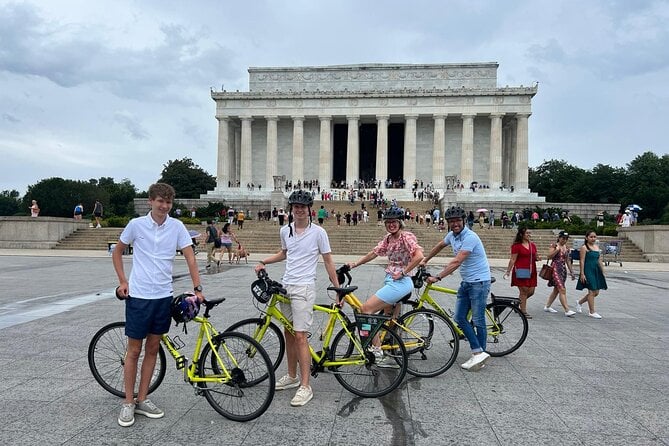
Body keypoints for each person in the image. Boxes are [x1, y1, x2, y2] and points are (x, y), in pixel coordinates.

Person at [112, 183, 204, 427]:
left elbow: (190, 257)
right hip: (139, 295)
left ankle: (143, 399)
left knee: (153, 349)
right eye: (160, 201)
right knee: (133, 351)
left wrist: (197, 288)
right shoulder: (136, 225)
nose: (164, 206)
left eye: (168, 203)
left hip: (163, 296)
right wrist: (123, 281)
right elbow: (117, 251)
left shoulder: (177, 227)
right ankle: (128, 403)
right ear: (150, 201)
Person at [255, 190, 339, 407]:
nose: (299, 209)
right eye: (296, 206)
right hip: (286, 285)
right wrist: (264, 260)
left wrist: (337, 288)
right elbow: (285, 253)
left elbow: (328, 260)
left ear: (309, 208)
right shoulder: (286, 230)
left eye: (303, 206)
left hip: (304, 287)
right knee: (289, 333)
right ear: (291, 208)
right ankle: (291, 376)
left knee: (300, 335)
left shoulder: (319, 232)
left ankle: (305, 386)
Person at [346, 206, 424, 365]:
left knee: (366, 309)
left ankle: (377, 349)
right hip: (391, 279)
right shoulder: (388, 239)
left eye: (394, 222)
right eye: (388, 222)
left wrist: (404, 272)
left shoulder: (406, 237)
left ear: (400, 222)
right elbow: (373, 253)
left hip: (400, 282)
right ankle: (391, 350)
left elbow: (419, 256)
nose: (391, 225)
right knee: (389, 320)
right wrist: (355, 264)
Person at [421, 206, 491, 371]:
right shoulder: (452, 235)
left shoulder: (471, 237)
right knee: (459, 318)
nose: (454, 224)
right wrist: (425, 259)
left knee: (479, 320)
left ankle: (479, 353)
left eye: (457, 221)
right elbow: (439, 246)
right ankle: (479, 352)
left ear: (463, 221)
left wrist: (438, 277)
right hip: (467, 282)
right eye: (451, 221)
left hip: (479, 282)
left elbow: (457, 261)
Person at [503, 227, 541, 318]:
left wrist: (538, 258)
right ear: (521, 235)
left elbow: (535, 256)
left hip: (532, 271)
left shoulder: (532, 245)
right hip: (521, 271)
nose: (529, 235)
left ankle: (517, 303)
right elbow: (513, 259)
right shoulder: (516, 246)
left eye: (529, 233)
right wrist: (508, 271)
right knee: (524, 291)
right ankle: (523, 312)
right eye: (527, 233)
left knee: (531, 292)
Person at [543, 231, 577, 317]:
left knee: (556, 289)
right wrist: (557, 250)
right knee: (562, 289)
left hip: (562, 269)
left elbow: (568, 260)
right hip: (555, 268)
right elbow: (549, 256)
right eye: (563, 238)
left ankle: (547, 306)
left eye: (566, 239)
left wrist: (571, 271)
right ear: (559, 237)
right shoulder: (554, 245)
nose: (564, 240)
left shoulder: (567, 248)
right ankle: (567, 309)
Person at [575, 230, 608, 319]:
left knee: (596, 292)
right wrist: (582, 273)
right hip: (588, 270)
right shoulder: (584, 248)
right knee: (591, 291)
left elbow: (599, 260)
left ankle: (580, 302)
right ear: (586, 238)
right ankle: (592, 311)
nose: (593, 238)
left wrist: (603, 270)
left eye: (594, 237)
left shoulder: (597, 247)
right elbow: (581, 260)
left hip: (596, 270)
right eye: (591, 237)